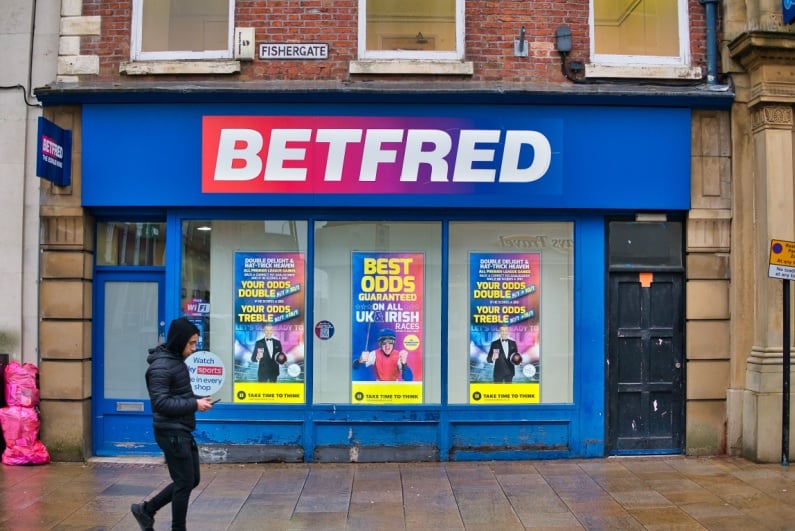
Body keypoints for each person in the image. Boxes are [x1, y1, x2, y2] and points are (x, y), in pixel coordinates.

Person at [131, 317, 215, 531]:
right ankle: (177, 527)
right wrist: (194, 404)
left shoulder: (175, 361)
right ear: (179, 341)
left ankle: (146, 510)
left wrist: (196, 400)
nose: (194, 348)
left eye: (196, 343)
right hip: (171, 432)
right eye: (191, 343)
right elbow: (161, 403)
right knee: (184, 482)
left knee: (191, 479)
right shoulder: (161, 367)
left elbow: (176, 394)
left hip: (181, 429)